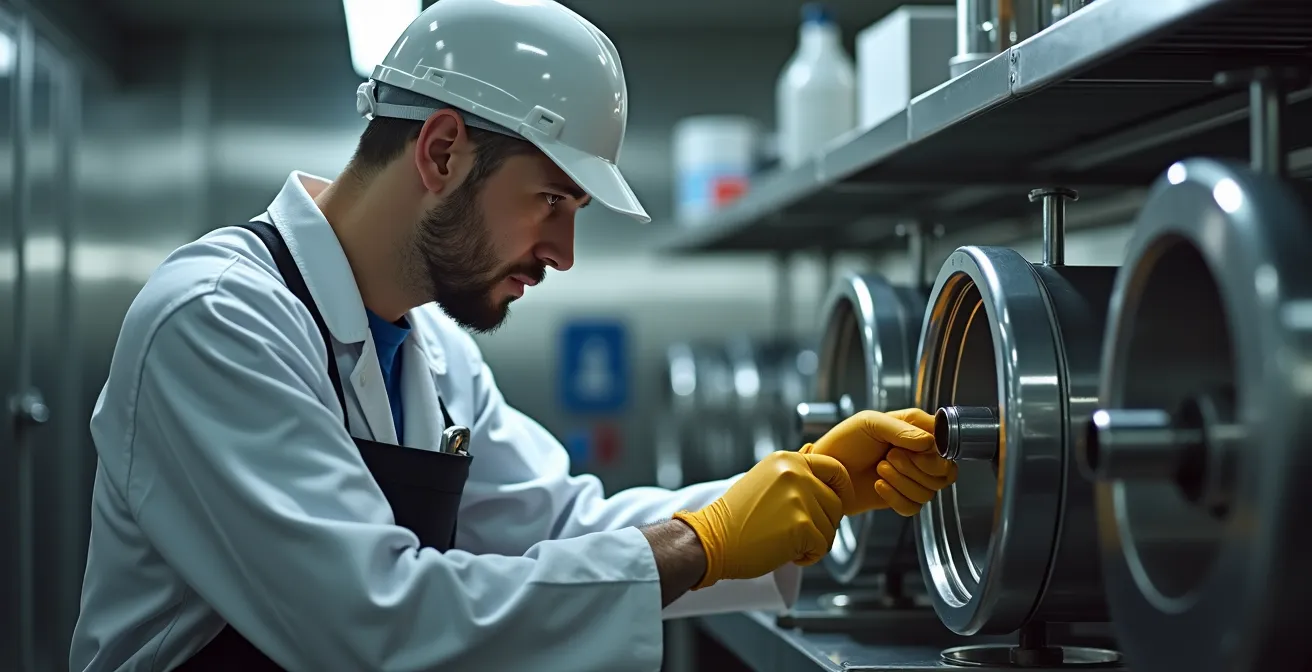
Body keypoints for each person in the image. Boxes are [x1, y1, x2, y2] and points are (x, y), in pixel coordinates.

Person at [68, 0, 958, 670]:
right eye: (552, 202)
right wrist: (703, 541)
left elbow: (559, 523)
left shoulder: (434, 350)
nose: (564, 254)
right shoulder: (219, 321)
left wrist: (813, 490)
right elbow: (369, 624)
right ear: (443, 151)